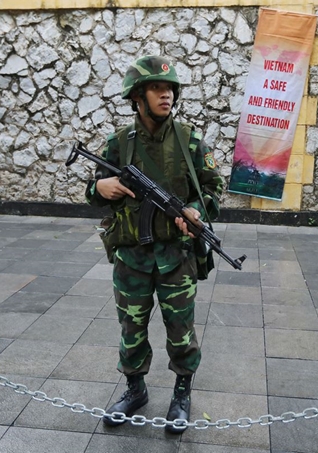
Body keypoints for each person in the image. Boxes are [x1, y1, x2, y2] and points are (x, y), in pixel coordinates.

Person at [84, 55, 223, 433]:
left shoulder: (190, 140)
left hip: (176, 257)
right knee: (131, 329)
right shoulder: (118, 144)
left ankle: (182, 393)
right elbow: (92, 191)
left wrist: (196, 210)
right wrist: (100, 187)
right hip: (131, 256)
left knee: (181, 330)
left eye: (170, 89)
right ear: (137, 97)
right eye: (157, 89)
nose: (166, 96)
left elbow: (214, 188)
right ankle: (135, 390)